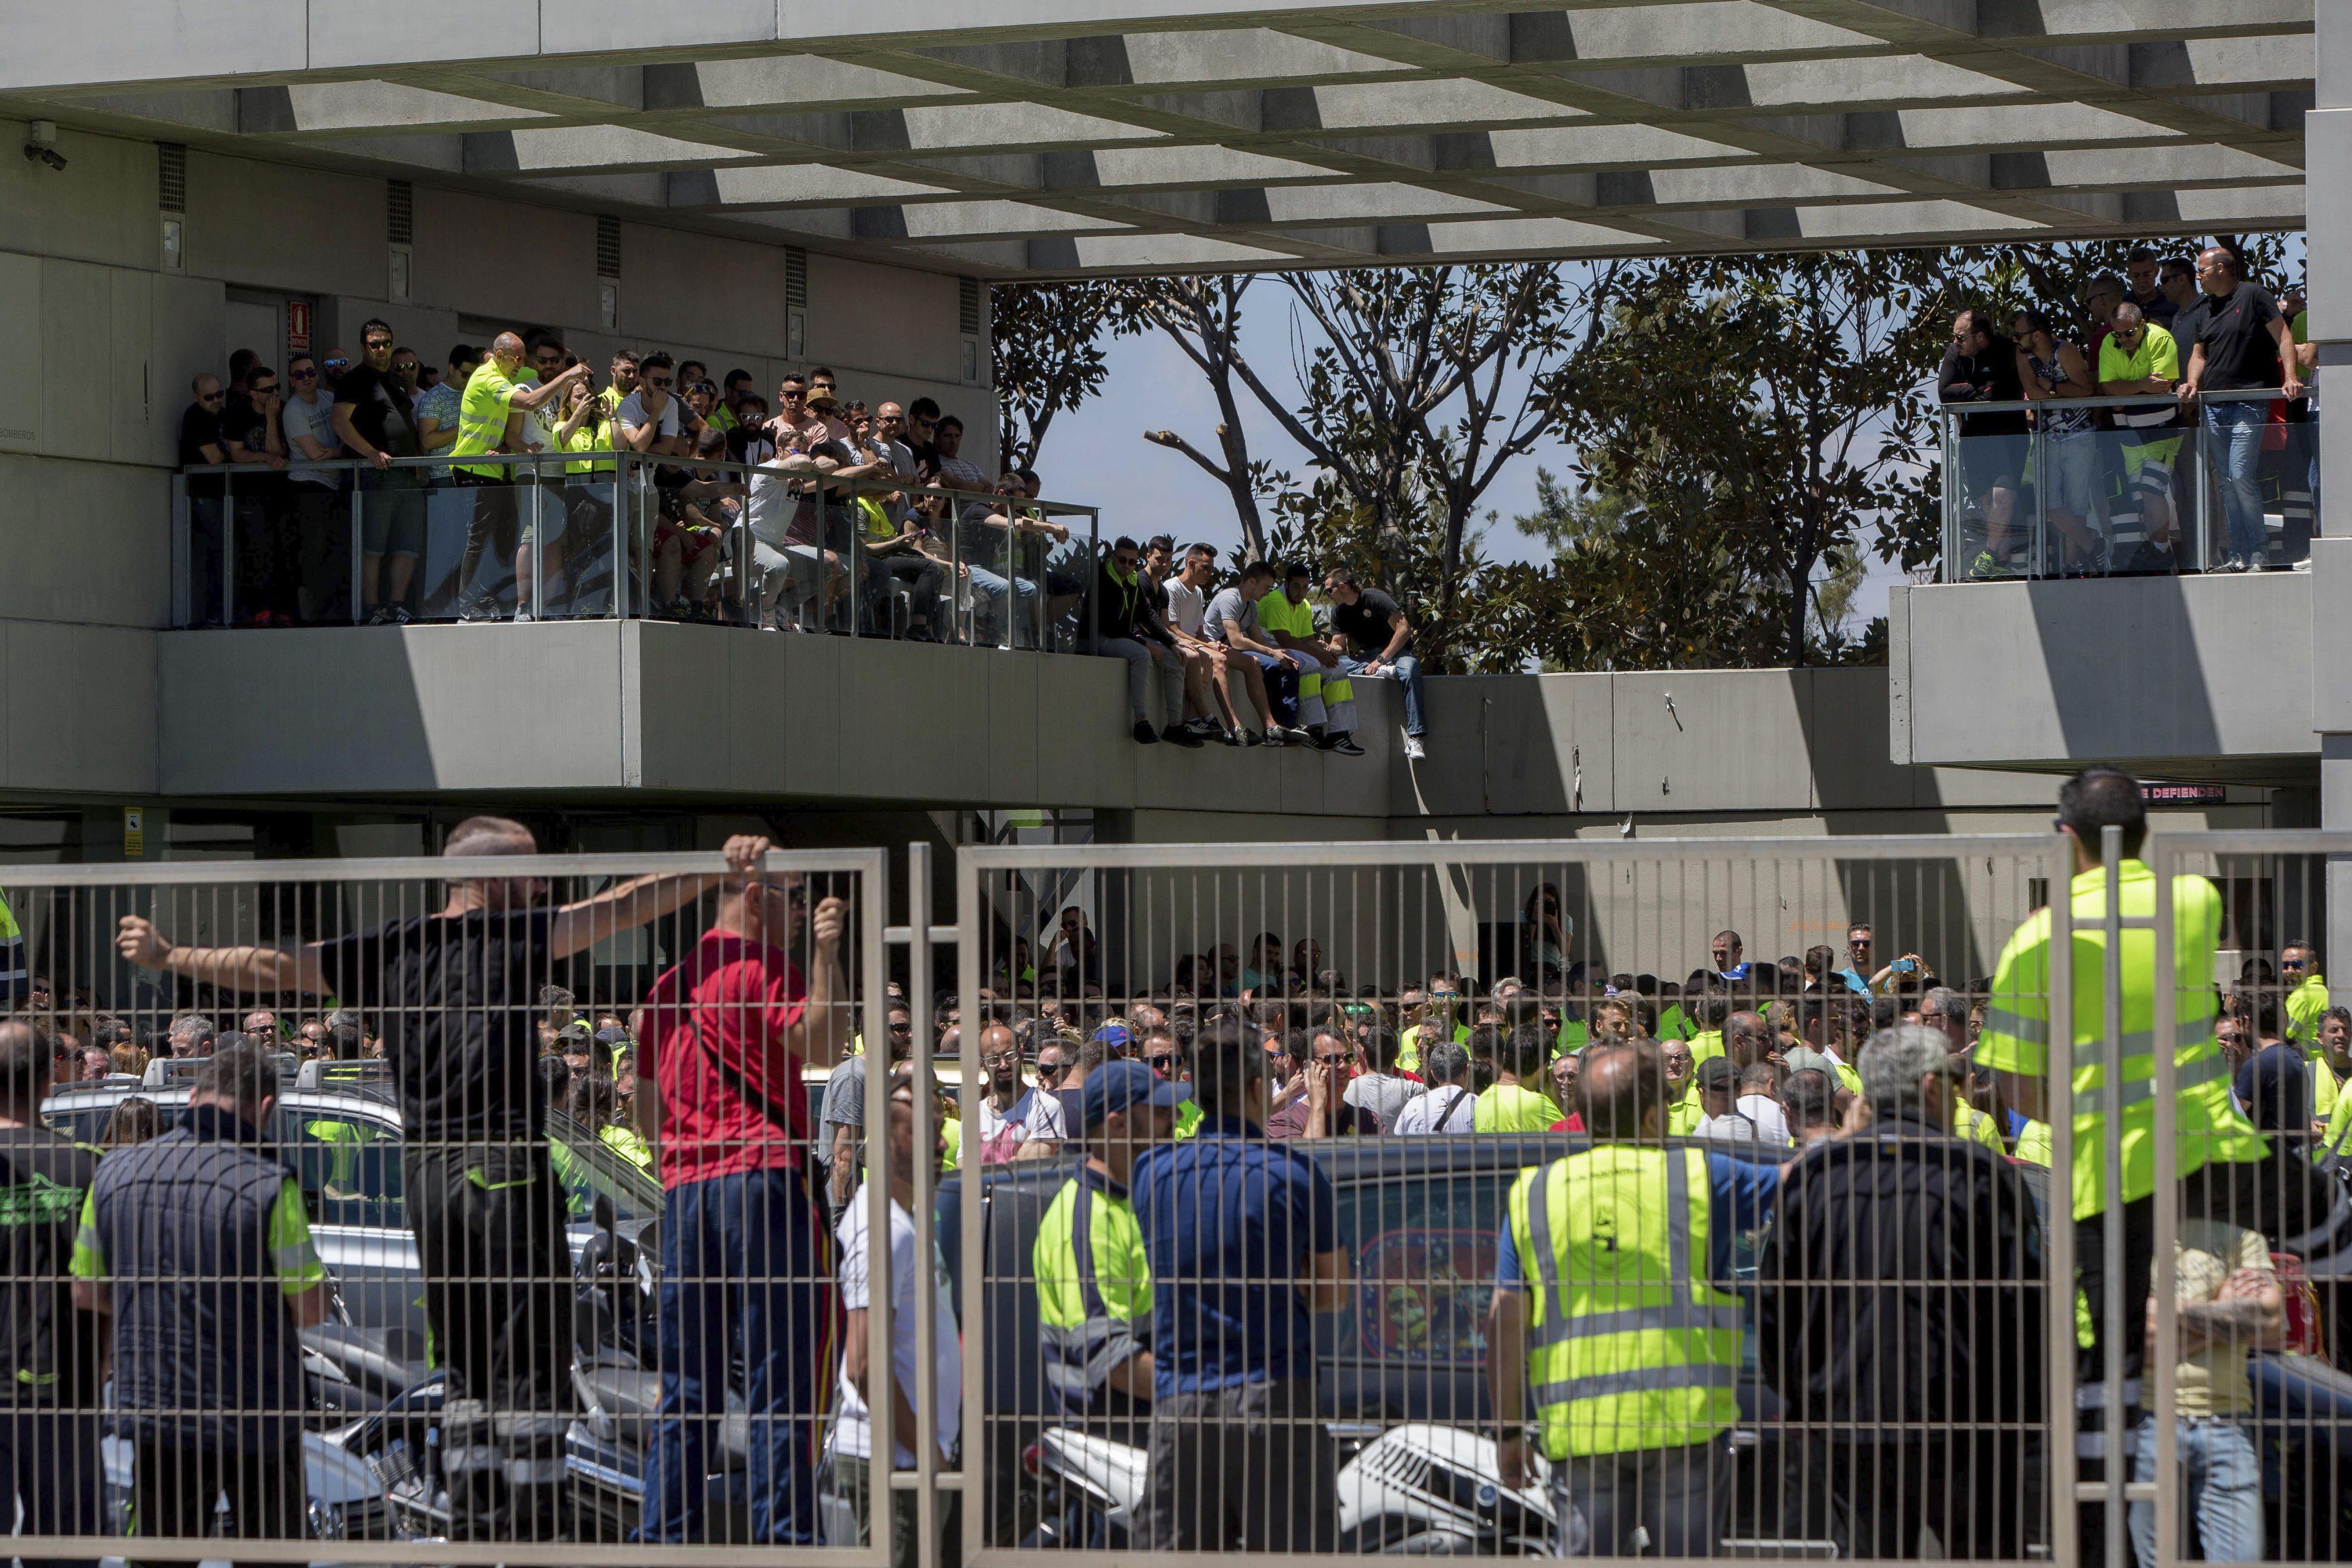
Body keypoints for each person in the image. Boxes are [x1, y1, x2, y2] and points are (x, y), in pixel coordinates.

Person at [111, 817, 775, 1541]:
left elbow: (278, 967)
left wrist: (174, 953)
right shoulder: (506, 937)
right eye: (531, 875)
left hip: (428, 1177)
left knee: (464, 1369)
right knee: (529, 1369)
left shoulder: (392, 946)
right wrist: (716, 872)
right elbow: (616, 908)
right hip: (503, 1169)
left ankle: (475, 1529)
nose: (543, 888)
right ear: (491, 882)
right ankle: (533, 1537)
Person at [1974, 768, 2267, 1553]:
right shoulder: (2195, 904)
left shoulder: (2037, 938)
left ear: (2068, 838)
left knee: (2106, 1387)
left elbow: (2019, 1087)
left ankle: (2104, 1542)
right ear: (2148, 833)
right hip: (2209, 1152)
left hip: (2105, 1175)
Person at [1757, 1025, 2044, 1559]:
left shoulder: (1818, 1177)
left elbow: (1776, 1302)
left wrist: (1803, 1398)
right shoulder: (1980, 1172)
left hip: (1849, 1417)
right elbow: (2022, 1305)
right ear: (1933, 1087)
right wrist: (2021, 1418)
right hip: (1967, 1423)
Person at [1486, 1040, 1775, 1557]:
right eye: (1663, 1106)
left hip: (1581, 1433)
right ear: (1648, 1117)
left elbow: (1504, 1316)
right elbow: (1801, 1178)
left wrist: (1508, 1432)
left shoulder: (1534, 1193)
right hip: (1682, 1427)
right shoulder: (1698, 1175)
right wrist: (1856, 1131)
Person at [634, 864, 851, 1544]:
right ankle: (784, 1547)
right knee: (778, 1384)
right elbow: (824, 1042)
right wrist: (825, 953)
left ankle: (665, 1543)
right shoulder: (761, 966)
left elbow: (645, 1116)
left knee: (686, 1391)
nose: (799, 911)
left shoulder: (669, 988)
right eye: (793, 898)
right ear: (756, 897)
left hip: (685, 1195)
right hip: (761, 1181)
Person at [71, 1042, 329, 1563]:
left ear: (193, 1097)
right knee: (274, 1554)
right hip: (256, 1410)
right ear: (264, 1108)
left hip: (157, 1406)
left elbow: (85, 1290)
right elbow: (310, 1309)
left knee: (161, 1555)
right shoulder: (268, 1185)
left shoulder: (112, 1176)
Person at [1129, 1018, 1349, 1550]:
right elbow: (1333, 1292)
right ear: (1258, 1089)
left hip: (1181, 1401)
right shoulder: (1296, 1176)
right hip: (1273, 1399)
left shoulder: (1152, 1172)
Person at [832, 1072, 961, 1568]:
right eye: (923, 1130)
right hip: (896, 1463)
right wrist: (926, 1453)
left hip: (910, 1459)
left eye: (939, 1126)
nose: (941, 1141)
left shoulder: (905, 1221)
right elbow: (862, 1365)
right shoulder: (885, 1229)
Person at [1034, 1058, 1187, 1441]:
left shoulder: (1132, 1199)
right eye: (1160, 1110)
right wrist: (1206, 1393)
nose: (1175, 1117)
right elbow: (1110, 1355)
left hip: (1148, 1435)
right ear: (1118, 1124)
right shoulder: (1086, 1220)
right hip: (1116, 1452)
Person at [0, 1022, 104, 1560]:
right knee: (65, 1549)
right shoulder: (87, 1167)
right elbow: (100, 1290)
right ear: (49, 1081)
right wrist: (100, 1370)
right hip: (66, 1385)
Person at [2130, 1209, 2280, 1568]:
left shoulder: (2240, 1230)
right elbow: (2129, 1340)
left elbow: (2270, 1321)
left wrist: (2162, 1315)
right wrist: (2224, 1309)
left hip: (2227, 1421)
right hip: (2149, 1420)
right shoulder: (2131, 1228)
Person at [449, 333, 589, 621]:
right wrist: (566, 377)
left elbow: (548, 375)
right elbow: (528, 402)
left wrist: (570, 373)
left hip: (495, 468)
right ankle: (474, 605)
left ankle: (534, 604)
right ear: (499, 357)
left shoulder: (515, 371)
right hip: (472, 467)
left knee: (511, 541)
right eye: (520, 359)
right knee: (482, 540)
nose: (524, 365)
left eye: (527, 359)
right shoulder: (491, 378)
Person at [2179, 247, 2301, 573]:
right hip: (2214, 407)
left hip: (2250, 401)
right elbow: (2199, 354)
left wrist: (2290, 376)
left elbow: (2284, 337)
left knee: (2241, 474)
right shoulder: (2204, 309)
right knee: (2226, 482)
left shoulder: (2254, 295)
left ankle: (2259, 553)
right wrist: (2192, 382)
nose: (2198, 277)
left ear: (2221, 269)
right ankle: (2239, 555)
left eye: (2202, 271)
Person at [2095, 301, 2187, 572]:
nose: (2123, 339)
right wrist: (2141, 385)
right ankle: (2158, 551)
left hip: (2163, 433)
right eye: (2118, 334)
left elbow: (2162, 387)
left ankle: (2162, 551)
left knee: (2150, 490)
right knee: (2141, 498)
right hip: (2128, 437)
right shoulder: (2109, 343)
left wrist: (2126, 394)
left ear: (2143, 325)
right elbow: (2109, 389)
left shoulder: (2161, 338)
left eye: (2129, 333)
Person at [1939, 309, 2030, 577]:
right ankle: (2001, 559)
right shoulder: (1955, 353)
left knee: (2004, 493)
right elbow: (1945, 393)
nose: (1956, 342)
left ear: (1979, 337)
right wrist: (1977, 390)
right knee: (1986, 501)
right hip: (1974, 437)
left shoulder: (2006, 350)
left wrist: (1969, 391)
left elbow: (1998, 393)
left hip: (2009, 436)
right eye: (1954, 337)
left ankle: (1989, 553)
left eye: (1960, 337)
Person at [1323, 566, 1427, 758]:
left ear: (1343, 586)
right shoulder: (1338, 611)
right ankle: (1375, 670)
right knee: (1333, 663)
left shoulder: (1374, 598)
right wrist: (1328, 649)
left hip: (1395, 653)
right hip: (1367, 659)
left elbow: (1403, 628)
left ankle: (1416, 738)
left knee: (1410, 668)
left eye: (1330, 590)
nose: (1328, 595)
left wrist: (1382, 659)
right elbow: (1338, 644)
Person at [974, 1023, 1067, 1162]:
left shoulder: (1046, 1108)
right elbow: (965, 1174)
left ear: (1021, 1054)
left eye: (1010, 1055)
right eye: (994, 1059)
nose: (1004, 1064)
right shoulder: (974, 1115)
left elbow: (1032, 1172)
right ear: (982, 1064)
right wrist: (1017, 1158)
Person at [1472, 1023, 1559, 1131]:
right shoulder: (1537, 1105)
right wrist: (1558, 1100)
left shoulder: (1484, 1099)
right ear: (1543, 1066)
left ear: (1505, 1056)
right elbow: (1579, 1144)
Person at [1388, 1038, 1475, 1134]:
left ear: (1433, 1073)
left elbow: (1398, 1140)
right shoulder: (1477, 1105)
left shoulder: (1413, 1106)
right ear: (1466, 1070)